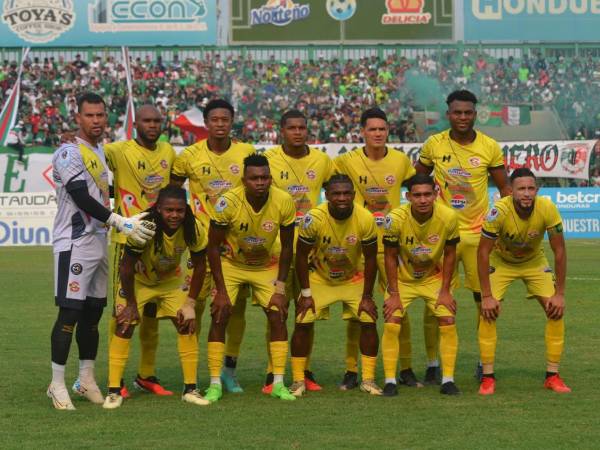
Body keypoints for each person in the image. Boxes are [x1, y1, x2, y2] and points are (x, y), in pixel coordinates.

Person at [48, 92, 154, 410]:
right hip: (74, 243)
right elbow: (81, 196)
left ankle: (86, 379)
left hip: (98, 242)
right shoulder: (69, 152)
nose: (96, 120)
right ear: (78, 118)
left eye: (100, 115)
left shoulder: (101, 152)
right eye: (89, 115)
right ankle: (56, 384)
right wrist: (119, 221)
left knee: (93, 314)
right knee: (70, 313)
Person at [416, 89, 510, 380]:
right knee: (436, 301)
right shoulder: (433, 144)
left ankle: (485, 362)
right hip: (440, 238)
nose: (462, 117)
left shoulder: (489, 146)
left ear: (475, 114)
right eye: (457, 112)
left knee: (483, 302)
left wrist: (503, 226)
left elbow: (505, 189)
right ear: (448, 114)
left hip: (477, 236)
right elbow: (419, 180)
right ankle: (433, 364)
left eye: (467, 112)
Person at [334, 108, 423, 390]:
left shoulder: (400, 161)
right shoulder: (346, 161)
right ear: (362, 131)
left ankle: (406, 368)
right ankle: (351, 370)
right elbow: (334, 191)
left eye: (382, 129)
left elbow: (418, 187)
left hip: (392, 246)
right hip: (358, 246)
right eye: (372, 129)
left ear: (388, 132)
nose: (377, 134)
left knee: (399, 309)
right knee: (357, 311)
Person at [171, 99, 255, 394]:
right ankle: (192, 377)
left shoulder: (246, 153)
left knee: (232, 310)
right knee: (191, 306)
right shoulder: (189, 155)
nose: (220, 124)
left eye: (225, 119)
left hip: (235, 245)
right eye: (215, 119)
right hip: (199, 244)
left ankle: (228, 372)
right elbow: (173, 193)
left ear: (232, 122)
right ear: (206, 123)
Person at [103, 186, 210, 409]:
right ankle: (114, 391)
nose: (174, 215)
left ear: (186, 209)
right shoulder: (144, 225)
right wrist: (131, 305)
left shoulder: (194, 226)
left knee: (186, 323)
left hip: (170, 281)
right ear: (158, 209)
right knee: (124, 323)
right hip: (139, 281)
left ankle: (190, 389)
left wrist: (190, 303)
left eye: (179, 210)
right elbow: (126, 267)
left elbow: (200, 266)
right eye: (168, 210)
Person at [204, 153, 296, 402]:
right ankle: (214, 383)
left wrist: (280, 287)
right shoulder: (227, 202)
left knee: (278, 315)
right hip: (232, 264)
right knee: (220, 313)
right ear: (244, 180)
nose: (260, 182)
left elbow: (287, 247)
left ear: (271, 178)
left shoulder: (284, 201)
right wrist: (221, 290)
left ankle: (278, 382)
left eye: (265, 177)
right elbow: (212, 247)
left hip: (266, 265)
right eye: (254, 178)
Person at [102, 105, 176, 397]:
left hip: (158, 243)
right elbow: (91, 153)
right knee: (122, 313)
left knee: (152, 312)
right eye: (147, 120)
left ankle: (147, 374)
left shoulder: (169, 152)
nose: (153, 125)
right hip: (127, 242)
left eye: (157, 121)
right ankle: (115, 380)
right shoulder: (118, 151)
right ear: (136, 124)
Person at [477, 168, 570, 395]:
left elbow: (559, 251)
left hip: (534, 262)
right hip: (502, 263)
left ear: (536, 190)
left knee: (555, 310)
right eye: (521, 189)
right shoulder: (498, 212)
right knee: (487, 312)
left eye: (530, 188)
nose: (526, 193)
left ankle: (552, 375)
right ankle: (488, 378)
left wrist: (560, 293)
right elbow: (482, 253)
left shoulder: (547, 208)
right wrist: (487, 296)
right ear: (511, 191)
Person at [260, 109, 335, 394]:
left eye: (302, 127)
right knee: (277, 311)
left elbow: (334, 197)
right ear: (282, 130)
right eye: (292, 128)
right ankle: (272, 372)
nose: (298, 132)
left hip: (310, 247)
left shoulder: (322, 161)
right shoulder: (269, 160)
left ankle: (303, 369)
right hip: (276, 247)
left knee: (307, 311)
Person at [290, 174, 382, 397]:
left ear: (353, 195)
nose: (342, 198)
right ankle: (297, 380)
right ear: (327, 195)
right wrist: (306, 293)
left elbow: (371, 259)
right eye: (336, 194)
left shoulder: (365, 218)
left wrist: (367, 296)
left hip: (353, 278)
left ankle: (368, 380)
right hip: (320, 278)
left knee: (368, 320)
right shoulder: (313, 218)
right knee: (303, 321)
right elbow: (300, 257)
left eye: (346, 193)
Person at [382, 174, 460, 396]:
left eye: (427, 194)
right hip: (403, 280)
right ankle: (389, 381)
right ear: (408, 197)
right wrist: (394, 293)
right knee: (391, 322)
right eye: (417, 195)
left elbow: (451, 253)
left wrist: (445, 290)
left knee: (447, 320)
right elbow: (389, 256)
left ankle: (447, 380)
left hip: (433, 279)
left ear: (436, 195)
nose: (423, 200)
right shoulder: (395, 219)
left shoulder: (449, 217)